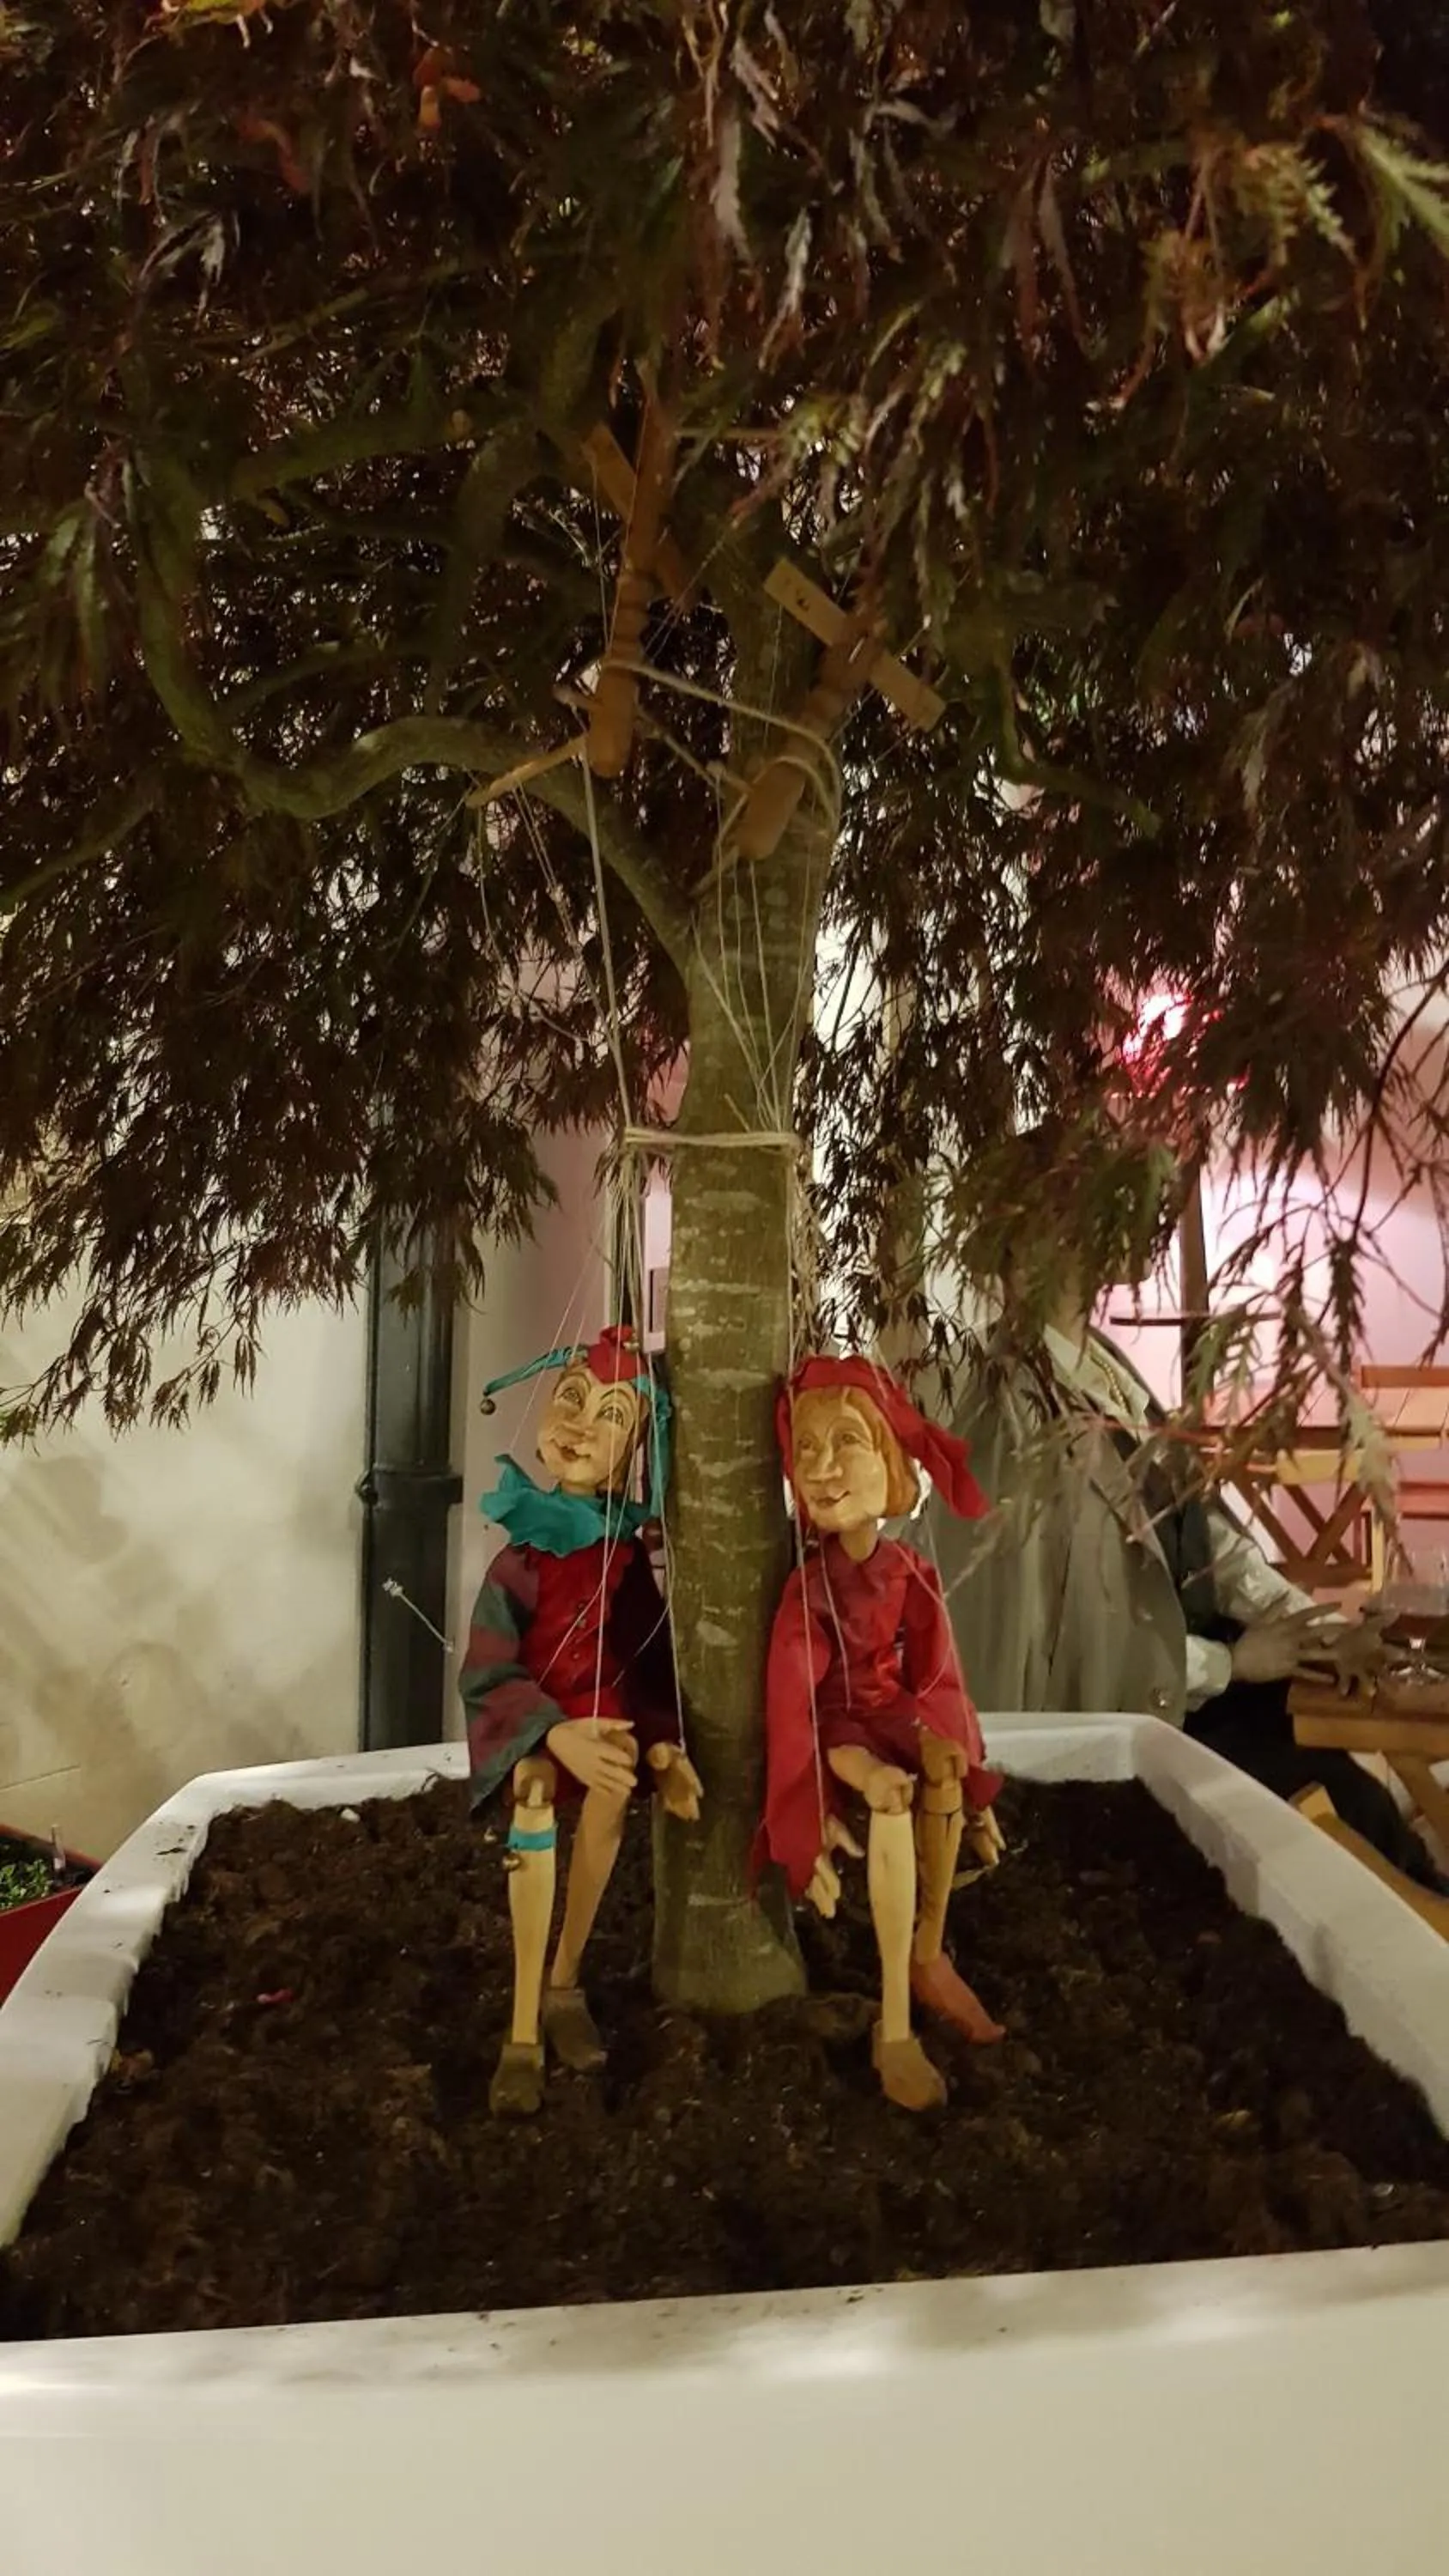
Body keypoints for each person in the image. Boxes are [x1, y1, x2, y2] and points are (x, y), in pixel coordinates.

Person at [931, 1302, 1449, 1891]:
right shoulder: (1005, 1408)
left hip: (1207, 1690)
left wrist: (1311, 1628)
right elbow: (1047, 1632)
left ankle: (1428, 1915)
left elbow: (1207, 1536)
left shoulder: (1100, 1361)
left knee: (1356, 1792)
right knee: (1340, 1807)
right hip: (1147, 1723)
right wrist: (1231, 1664)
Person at [459, 1323, 700, 2117]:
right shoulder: (518, 1560)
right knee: (534, 1799)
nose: (578, 1425)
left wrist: (664, 1749)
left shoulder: (627, 1564)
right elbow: (488, 1669)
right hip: (539, 1724)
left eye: (610, 1416)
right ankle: (522, 2025)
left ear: (636, 1451)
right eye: (570, 1400)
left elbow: (649, 1658)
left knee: (610, 1794)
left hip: (603, 1721)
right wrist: (551, 1730)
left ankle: (565, 1980)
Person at [761, 1356, 1004, 2112]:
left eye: (847, 1444)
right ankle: (894, 2026)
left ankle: (929, 1949)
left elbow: (941, 1679)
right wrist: (807, 1811)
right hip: (838, 1725)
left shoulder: (910, 1571)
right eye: (807, 1451)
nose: (825, 1469)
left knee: (939, 1765)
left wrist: (970, 1776)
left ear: (892, 1462)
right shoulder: (811, 1585)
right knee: (892, 1793)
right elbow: (794, 1697)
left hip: (893, 1711)